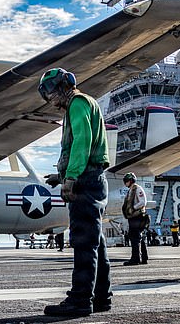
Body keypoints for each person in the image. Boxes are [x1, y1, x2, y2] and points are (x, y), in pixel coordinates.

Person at [39, 68, 112, 317]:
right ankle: (102, 297)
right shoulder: (85, 103)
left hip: (85, 180)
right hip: (93, 178)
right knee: (96, 242)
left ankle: (80, 300)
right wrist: (60, 175)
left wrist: (70, 178)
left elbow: (82, 140)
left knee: (83, 242)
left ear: (62, 86)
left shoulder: (77, 103)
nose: (49, 99)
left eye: (49, 91)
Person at [121, 172, 148, 266]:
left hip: (137, 216)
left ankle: (135, 258)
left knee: (134, 237)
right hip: (134, 216)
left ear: (131, 180)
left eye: (126, 181)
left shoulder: (137, 188)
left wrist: (133, 208)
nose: (125, 183)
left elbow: (143, 202)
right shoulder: (131, 190)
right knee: (139, 237)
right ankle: (143, 258)